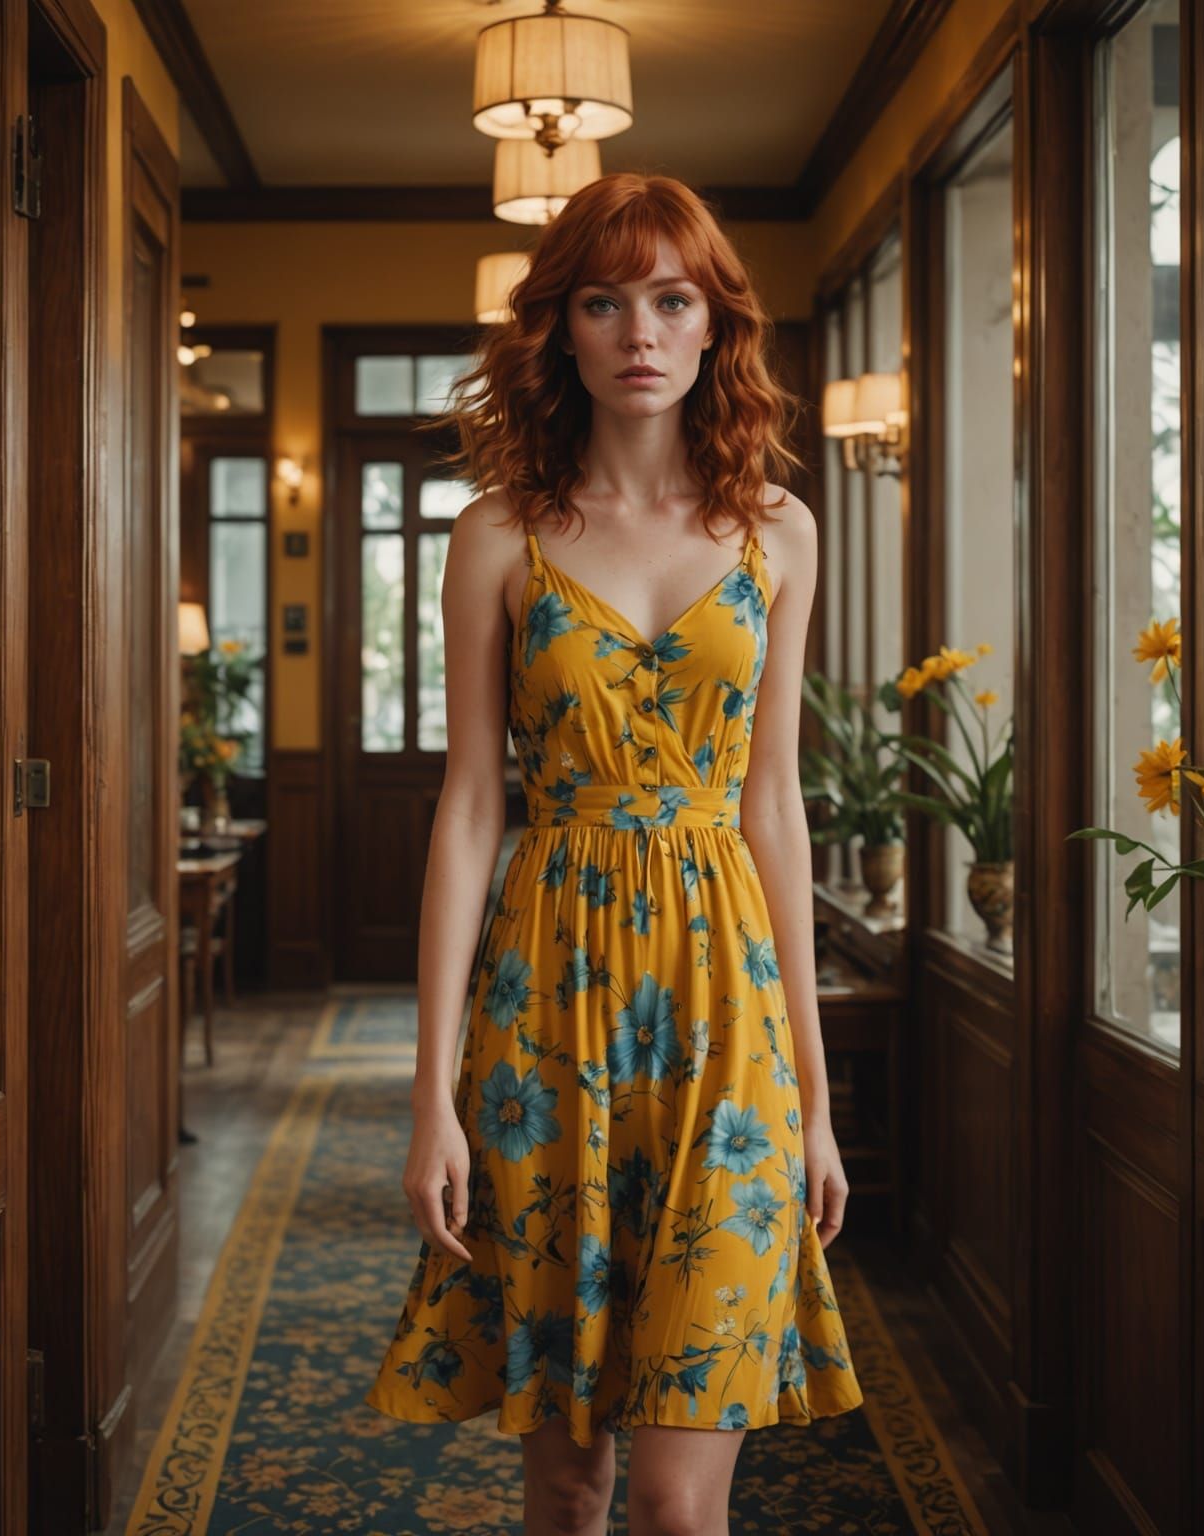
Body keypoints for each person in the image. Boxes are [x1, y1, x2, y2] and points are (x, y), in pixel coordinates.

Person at [364, 172, 864, 1535]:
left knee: (675, 1501)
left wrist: (813, 1100)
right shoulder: (497, 539)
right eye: (604, 301)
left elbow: (775, 806)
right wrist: (432, 1098)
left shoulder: (780, 533)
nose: (639, 330)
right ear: (562, 332)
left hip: (729, 1022)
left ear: (713, 328)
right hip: (550, 1015)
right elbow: (471, 807)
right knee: (572, 1482)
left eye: (671, 299)